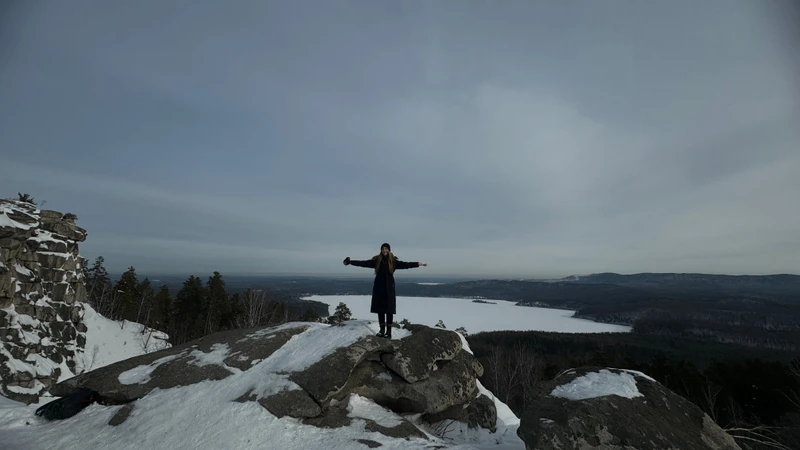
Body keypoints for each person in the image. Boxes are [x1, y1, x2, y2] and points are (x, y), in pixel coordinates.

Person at [343, 243, 427, 338]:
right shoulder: (376, 260)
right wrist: (351, 262)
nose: (384, 250)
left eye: (386, 248)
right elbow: (364, 263)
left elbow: (405, 265)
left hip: (389, 288)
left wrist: (417, 264)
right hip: (379, 287)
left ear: (389, 250)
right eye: (383, 248)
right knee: (380, 309)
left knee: (389, 309)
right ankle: (382, 330)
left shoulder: (394, 261)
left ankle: (389, 332)